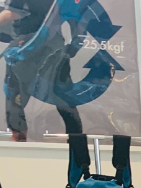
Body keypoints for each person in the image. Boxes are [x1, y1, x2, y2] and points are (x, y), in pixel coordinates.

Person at [0, 0, 83, 141]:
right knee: (62, 94)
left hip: (26, 45)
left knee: (15, 92)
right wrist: (74, 45)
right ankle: (76, 140)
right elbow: (77, 21)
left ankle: (19, 139)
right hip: (55, 45)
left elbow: (12, 13)